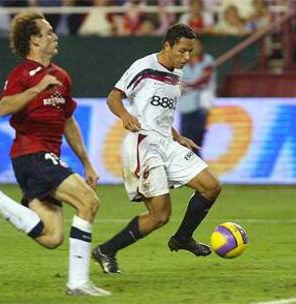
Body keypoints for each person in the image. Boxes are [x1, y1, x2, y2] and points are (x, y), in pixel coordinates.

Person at [0, 10, 110, 296]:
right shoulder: (22, 74)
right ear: (34, 41)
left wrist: (87, 163)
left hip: (46, 156)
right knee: (88, 203)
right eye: (48, 32)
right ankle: (78, 283)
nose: (54, 35)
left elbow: (68, 121)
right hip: (31, 154)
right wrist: (36, 88)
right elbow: (3, 107)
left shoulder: (61, 75)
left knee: (51, 237)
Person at [92, 23, 222, 274]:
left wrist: (178, 136)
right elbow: (113, 97)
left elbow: (161, 115)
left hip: (167, 142)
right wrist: (125, 116)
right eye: (182, 51)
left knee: (211, 186)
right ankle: (106, 250)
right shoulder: (143, 67)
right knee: (159, 216)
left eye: (190, 52)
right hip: (143, 144)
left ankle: (183, 238)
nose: (186, 57)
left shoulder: (177, 73)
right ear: (167, 45)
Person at [178, 38, 216, 157]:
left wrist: (187, 86)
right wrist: (187, 86)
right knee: (185, 134)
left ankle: (197, 158)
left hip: (202, 103)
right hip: (185, 104)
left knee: (199, 132)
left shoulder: (207, 60)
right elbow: (178, 80)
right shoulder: (181, 61)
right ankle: (188, 161)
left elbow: (204, 80)